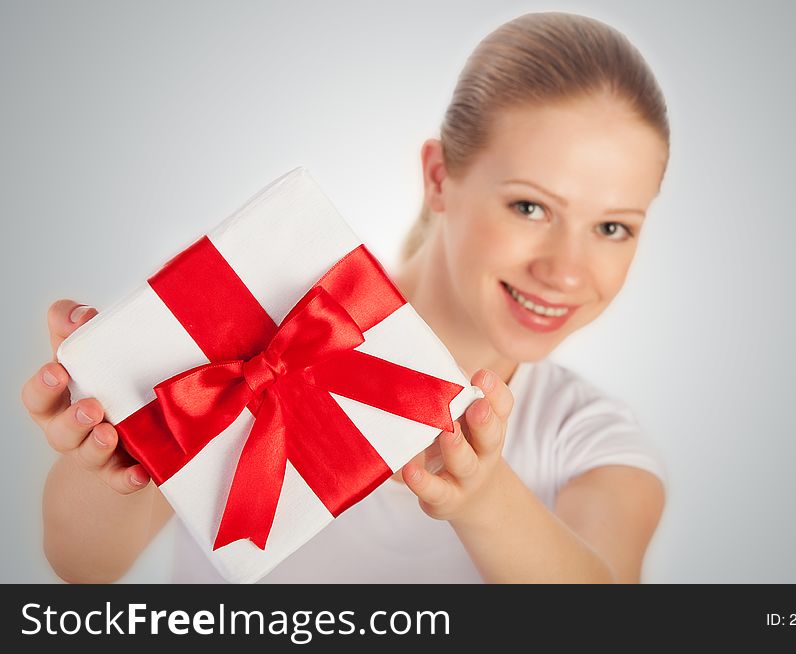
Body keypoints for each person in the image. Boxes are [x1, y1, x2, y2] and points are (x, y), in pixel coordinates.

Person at [21, 11, 670, 583]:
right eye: (530, 206)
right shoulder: (273, 312)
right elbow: (85, 570)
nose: (566, 270)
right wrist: (104, 457)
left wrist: (483, 495)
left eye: (612, 227)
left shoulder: (588, 436)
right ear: (440, 179)